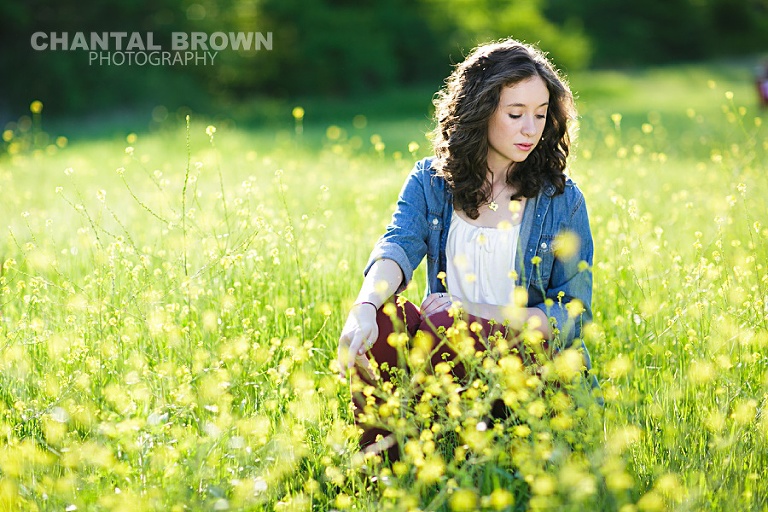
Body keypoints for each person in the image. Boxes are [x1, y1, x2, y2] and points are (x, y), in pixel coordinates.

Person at [337, 38, 597, 461]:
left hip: (525, 369)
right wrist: (365, 304)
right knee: (386, 317)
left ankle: (499, 439)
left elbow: (572, 313)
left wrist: (471, 312)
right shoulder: (431, 180)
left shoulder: (562, 199)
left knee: (441, 315)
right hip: (445, 360)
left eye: (540, 114)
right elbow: (399, 244)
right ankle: (384, 466)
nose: (530, 129)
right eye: (515, 114)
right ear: (480, 112)